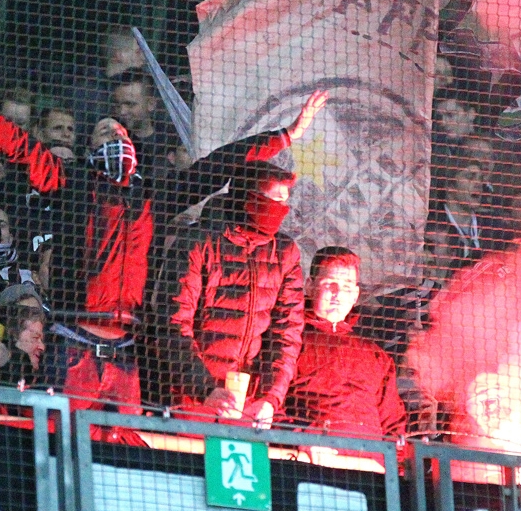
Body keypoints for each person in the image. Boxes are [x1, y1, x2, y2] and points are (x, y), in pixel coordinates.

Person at [0, 64, 153, 419]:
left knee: (123, 450)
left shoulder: (149, 198)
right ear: (90, 149)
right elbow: (25, 150)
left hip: (126, 351)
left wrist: (274, 136)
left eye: (119, 133)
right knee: (55, 434)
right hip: (74, 344)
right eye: (104, 134)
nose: (115, 139)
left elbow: (210, 170)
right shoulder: (72, 184)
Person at [159, 162, 306, 428]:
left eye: (284, 202)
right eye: (273, 200)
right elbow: (173, 321)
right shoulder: (199, 241)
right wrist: (204, 389)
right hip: (193, 401)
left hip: (250, 407)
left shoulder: (284, 252)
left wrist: (271, 398)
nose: (280, 210)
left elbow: (288, 333)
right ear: (248, 198)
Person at [283, 247, 407, 438]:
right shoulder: (289, 340)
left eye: (347, 287)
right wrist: (301, 438)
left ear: (356, 295)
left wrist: (394, 465)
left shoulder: (375, 356)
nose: (338, 294)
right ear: (309, 286)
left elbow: (394, 425)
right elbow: (266, 406)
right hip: (310, 459)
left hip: (371, 463)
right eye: (329, 284)